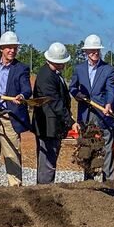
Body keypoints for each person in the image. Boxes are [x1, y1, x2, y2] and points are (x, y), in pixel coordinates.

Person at [0, 31, 32, 187]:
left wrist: (22, 96)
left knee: (12, 156)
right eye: (8, 47)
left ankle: (15, 189)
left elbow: (27, 88)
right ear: (1, 48)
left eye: (14, 48)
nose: (12, 51)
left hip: (9, 117)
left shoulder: (21, 68)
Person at [69, 34, 114, 181]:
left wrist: (108, 104)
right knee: (87, 147)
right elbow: (72, 88)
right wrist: (78, 94)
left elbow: (110, 90)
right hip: (85, 114)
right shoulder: (79, 69)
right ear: (86, 52)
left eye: (97, 50)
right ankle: (88, 181)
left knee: (106, 146)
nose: (94, 53)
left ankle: (109, 181)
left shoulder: (108, 69)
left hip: (102, 113)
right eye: (91, 51)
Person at [32, 42, 80, 184]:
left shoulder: (54, 73)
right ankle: (44, 192)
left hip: (53, 126)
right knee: (47, 163)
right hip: (47, 126)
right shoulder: (46, 76)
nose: (63, 65)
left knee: (50, 162)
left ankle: (46, 188)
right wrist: (70, 122)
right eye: (61, 62)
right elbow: (55, 103)